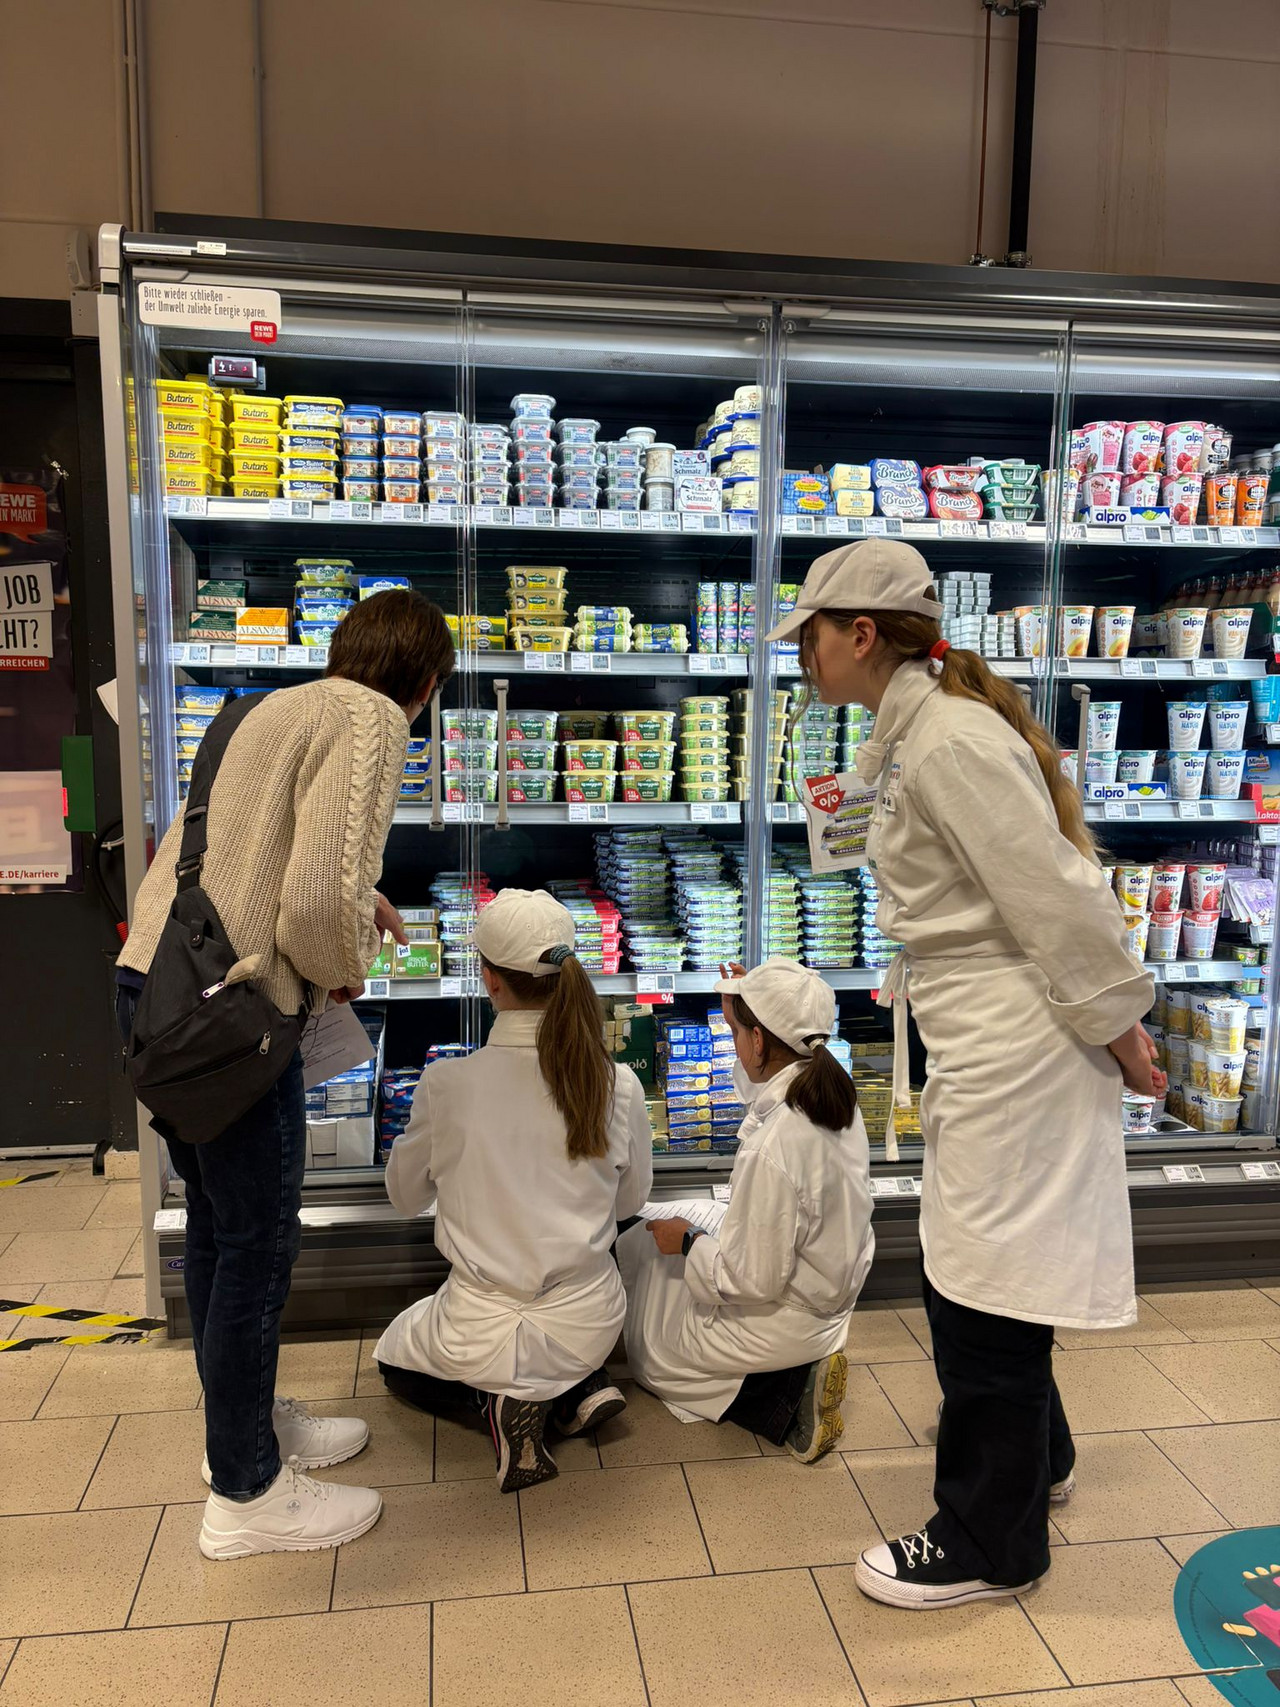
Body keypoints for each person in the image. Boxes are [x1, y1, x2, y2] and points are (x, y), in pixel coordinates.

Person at [766, 539, 1162, 1608]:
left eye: (809, 634)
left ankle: (992, 1539)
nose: (801, 654)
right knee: (987, 1266)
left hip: (1014, 1041)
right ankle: (1040, 1461)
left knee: (979, 1284)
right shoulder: (916, 732)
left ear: (860, 634)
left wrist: (1122, 1026)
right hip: (981, 1027)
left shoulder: (946, 740)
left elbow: (1058, 896)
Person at [116, 589, 454, 1559]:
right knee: (259, 1244)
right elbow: (309, 907)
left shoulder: (270, 707)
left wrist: (358, 898)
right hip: (234, 1016)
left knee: (218, 1229)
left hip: (156, 991)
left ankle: (243, 1432)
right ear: (426, 681)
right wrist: (345, 961)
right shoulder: (373, 717)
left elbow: (245, 856)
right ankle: (247, 1495)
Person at [375, 887, 653, 1492]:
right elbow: (630, 1204)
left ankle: (499, 1403)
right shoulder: (618, 1083)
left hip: (479, 1325)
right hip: (590, 1322)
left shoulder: (447, 1084)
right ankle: (574, 1388)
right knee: (557, 1344)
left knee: (394, 1362)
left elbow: (403, 1198)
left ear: (491, 981)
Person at [617, 956, 874, 1462]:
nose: (733, 1042)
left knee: (654, 1353)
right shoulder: (831, 1093)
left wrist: (688, 1242)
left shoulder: (774, 1146)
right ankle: (788, 1374)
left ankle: (782, 1400)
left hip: (787, 1316)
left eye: (736, 1033)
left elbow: (749, 1280)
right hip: (830, 1298)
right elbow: (759, 1090)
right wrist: (745, 1005)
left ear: (760, 1041)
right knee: (660, 1233)